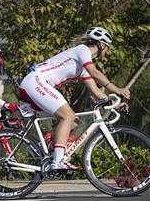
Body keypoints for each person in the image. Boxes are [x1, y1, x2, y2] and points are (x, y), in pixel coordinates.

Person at [18, 26, 129, 171]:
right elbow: (95, 73)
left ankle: (38, 148)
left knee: (74, 121)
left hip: (36, 83)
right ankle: (58, 161)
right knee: (68, 116)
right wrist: (118, 89)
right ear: (101, 44)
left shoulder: (82, 66)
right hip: (36, 81)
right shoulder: (82, 50)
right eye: (107, 47)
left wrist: (113, 102)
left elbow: (94, 89)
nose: (106, 51)